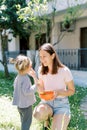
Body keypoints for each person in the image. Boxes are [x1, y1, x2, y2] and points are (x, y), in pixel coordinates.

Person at [36, 43, 75, 130]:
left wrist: (59, 92)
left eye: (44, 56)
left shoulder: (64, 71)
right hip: (46, 103)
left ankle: (56, 118)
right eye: (40, 56)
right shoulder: (41, 70)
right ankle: (47, 118)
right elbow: (41, 92)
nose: (42, 59)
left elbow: (72, 90)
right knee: (38, 114)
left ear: (53, 55)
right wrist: (35, 78)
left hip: (61, 104)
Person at [9, 55, 37, 130]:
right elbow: (27, 91)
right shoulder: (25, 78)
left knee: (23, 122)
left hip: (20, 105)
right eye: (30, 66)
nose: (31, 68)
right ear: (26, 67)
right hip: (26, 106)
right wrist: (36, 86)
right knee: (26, 124)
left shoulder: (18, 77)